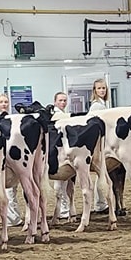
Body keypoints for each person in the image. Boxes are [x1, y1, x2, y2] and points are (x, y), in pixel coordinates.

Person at [0, 93, 24, 226]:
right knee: (7, 189)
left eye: (6, 102)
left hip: (15, 156)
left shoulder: (14, 119)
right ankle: (11, 218)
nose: (4, 104)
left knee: (14, 188)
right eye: (1, 102)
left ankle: (14, 216)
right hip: (1, 157)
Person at [87, 79, 110, 214]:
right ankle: (100, 204)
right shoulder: (96, 106)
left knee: (101, 173)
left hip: (101, 141)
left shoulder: (102, 105)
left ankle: (100, 203)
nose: (102, 90)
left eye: (103, 88)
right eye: (99, 88)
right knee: (101, 172)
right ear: (94, 90)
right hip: (98, 142)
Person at [51, 91, 71, 220]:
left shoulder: (63, 114)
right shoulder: (56, 115)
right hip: (57, 150)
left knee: (65, 183)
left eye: (64, 100)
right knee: (60, 183)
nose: (63, 103)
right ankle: (63, 210)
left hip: (64, 149)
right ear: (55, 102)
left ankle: (64, 209)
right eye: (60, 101)